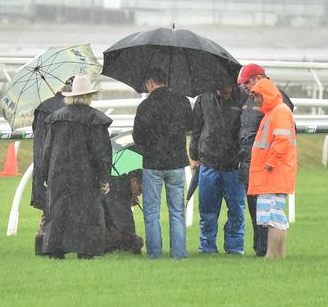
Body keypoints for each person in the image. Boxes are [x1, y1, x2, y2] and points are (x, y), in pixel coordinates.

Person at [39, 75, 112, 260]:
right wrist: (104, 178)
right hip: (87, 175)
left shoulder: (56, 119)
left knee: (58, 211)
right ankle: (86, 250)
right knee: (86, 213)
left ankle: (56, 249)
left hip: (59, 174)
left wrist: (45, 174)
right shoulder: (95, 120)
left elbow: (47, 150)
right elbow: (101, 154)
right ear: (88, 96)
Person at [133, 67, 193, 259]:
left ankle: (154, 253)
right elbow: (191, 126)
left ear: (151, 83)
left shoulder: (144, 106)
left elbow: (137, 137)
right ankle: (179, 253)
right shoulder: (182, 101)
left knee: (151, 212)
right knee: (177, 211)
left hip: (153, 164)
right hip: (176, 162)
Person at [237, 63, 294, 257]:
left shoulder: (280, 111)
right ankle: (273, 254)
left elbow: (282, 140)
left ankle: (273, 255)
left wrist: (270, 163)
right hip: (267, 174)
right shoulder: (271, 112)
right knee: (269, 218)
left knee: (274, 219)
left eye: (255, 96)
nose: (254, 101)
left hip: (273, 173)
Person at [189, 83, 246, 254]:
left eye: (225, 87)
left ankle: (235, 249)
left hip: (234, 166)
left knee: (236, 211)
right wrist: (194, 156)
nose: (222, 91)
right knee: (207, 211)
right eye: (218, 87)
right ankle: (207, 248)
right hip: (208, 162)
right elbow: (196, 129)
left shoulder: (244, 98)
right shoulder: (204, 97)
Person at [31, 77, 73, 256]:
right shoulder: (67, 110)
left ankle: (43, 243)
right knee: (58, 208)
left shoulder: (43, 107)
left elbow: (38, 138)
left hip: (45, 161)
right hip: (61, 163)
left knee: (50, 207)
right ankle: (53, 244)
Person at [103, 169, 144, 254]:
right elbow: (124, 224)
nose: (140, 194)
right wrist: (134, 240)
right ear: (134, 182)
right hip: (101, 227)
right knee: (135, 242)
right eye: (140, 189)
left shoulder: (118, 184)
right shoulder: (120, 192)